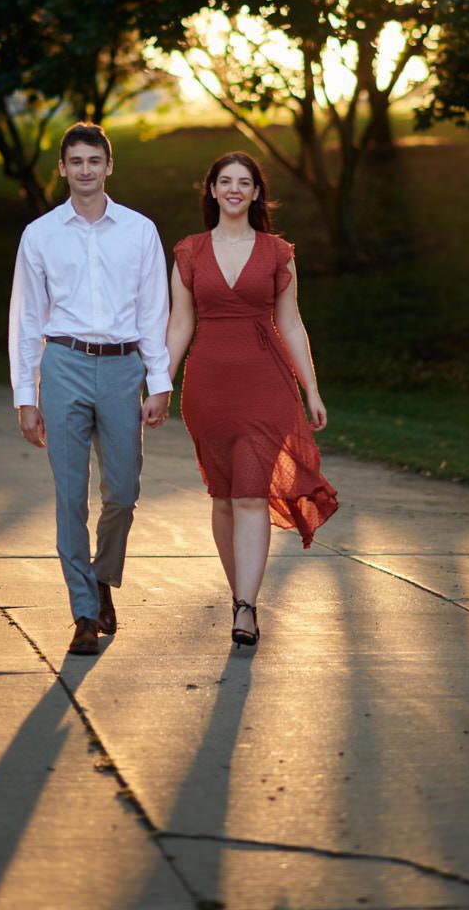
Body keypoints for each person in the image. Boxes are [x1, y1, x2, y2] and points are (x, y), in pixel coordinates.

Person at [8, 123, 171, 656]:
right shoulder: (40, 235)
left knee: (123, 492)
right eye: (74, 161)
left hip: (123, 368)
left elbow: (154, 312)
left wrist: (159, 380)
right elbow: (27, 319)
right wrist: (25, 395)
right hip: (64, 365)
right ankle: (83, 611)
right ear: (62, 168)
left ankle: (102, 576)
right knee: (69, 496)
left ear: (107, 165)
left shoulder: (140, 232)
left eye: (93, 161)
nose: (84, 170)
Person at [166, 152, 337, 648]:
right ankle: (238, 591)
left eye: (245, 182)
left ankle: (246, 606)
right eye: (226, 181)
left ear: (256, 193)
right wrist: (160, 384)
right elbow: (179, 324)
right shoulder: (189, 253)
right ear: (213, 191)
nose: (235, 189)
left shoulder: (278, 253)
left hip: (267, 386)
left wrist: (312, 388)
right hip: (209, 390)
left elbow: (291, 323)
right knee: (223, 496)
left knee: (249, 494)